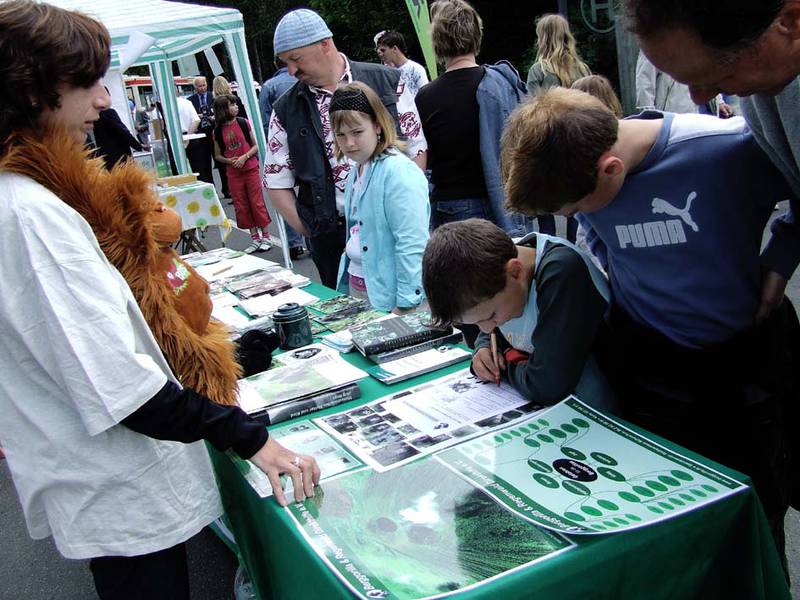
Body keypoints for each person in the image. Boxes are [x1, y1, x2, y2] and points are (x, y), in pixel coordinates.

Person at [0, 3, 319, 598]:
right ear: (38, 91)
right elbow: (125, 388)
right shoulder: (32, 215)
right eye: (88, 82)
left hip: (106, 485)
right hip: (118, 490)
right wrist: (250, 436)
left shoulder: (24, 201)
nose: (102, 100)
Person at [500, 86, 799, 558]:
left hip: (740, 375)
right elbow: (599, 240)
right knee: (674, 519)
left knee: (754, 522)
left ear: (610, 170)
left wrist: (781, 258)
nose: (577, 220)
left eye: (575, 211)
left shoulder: (726, 149)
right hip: (653, 374)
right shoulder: (583, 177)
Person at [263, 8, 427, 289]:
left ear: (325, 44)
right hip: (332, 238)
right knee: (346, 322)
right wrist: (312, 230)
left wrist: (402, 207)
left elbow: (416, 149)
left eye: (295, 59)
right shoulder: (286, 108)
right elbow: (275, 181)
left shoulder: (388, 81)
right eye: (285, 62)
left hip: (392, 229)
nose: (291, 70)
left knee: (405, 307)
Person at [422, 218, 617, 411]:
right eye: (475, 323)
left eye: (491, 316)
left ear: (515, 272)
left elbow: (548, 385)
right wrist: (483, 347)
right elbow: (491, 325)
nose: (489, 328)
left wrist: (507, 363)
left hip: (606, 413)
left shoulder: (561, 272)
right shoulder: (499, 272)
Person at [415, 0, 527, 235]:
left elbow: (424, 158)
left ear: (437, 40)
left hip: (444, 203)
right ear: (477, 35)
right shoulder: (500, 86)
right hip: (491, 201)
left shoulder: (425, 96)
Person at [330, 82, 429, 313]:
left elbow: (412, 243)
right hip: (363, 289)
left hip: (393, 299)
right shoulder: (357, 169)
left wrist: (405, 303)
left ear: (377, 125)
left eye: (357, 132)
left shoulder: (399, 171)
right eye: (341, 135)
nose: (349, 143)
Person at [526, 13, 591, 242]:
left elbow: (529, 110)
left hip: (547, 146)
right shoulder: (582, 70)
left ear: (542, 38)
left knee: (545, 205)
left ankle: (551, 248)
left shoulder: (539, 71)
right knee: (575, 202)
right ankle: (573, 248)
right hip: (577, 145)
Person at [259, 61, 306, 260]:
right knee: (310, 192)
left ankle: (295, 242)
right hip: (308, 144)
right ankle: (314, 241)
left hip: (282, 144)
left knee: (284, 192)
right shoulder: (306, 79)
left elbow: (264, 121)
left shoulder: (269, 86)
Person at [213, 94, 271, 253]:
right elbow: (218, 155)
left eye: (235, 104)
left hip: (250, 168)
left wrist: (244, 157)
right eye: (232, 105)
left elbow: (255, 145)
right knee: (241, 204)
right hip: (233, 172)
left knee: (256, 202)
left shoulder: (243, 122)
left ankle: (266, 236)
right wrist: (230, 161)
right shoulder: (217, 131)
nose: (236, 107)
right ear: (223, 109)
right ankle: (254, 237)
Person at [375, 30, 429, 97]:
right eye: (379, 51)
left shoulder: (415, 69)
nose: (380, 54)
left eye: (383, 50)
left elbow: (426, 95)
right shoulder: (384, 73)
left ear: (394, 48)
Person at [92, 105, 143, 170]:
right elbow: (122, 131)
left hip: (106, 157)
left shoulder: (95, 116)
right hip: (120, 156)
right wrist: (138, 146)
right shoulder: (109, 112)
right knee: (127, 177)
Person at [186, 76, 214, 184]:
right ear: (195, 87)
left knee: (220, 163)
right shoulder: (190, 101)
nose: (202, 88)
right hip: (200, 134)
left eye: (204, 85)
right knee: (205, 162)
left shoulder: (213, 96)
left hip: (213, 131)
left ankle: (226, 189)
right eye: (199, 86)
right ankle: (209, 184)